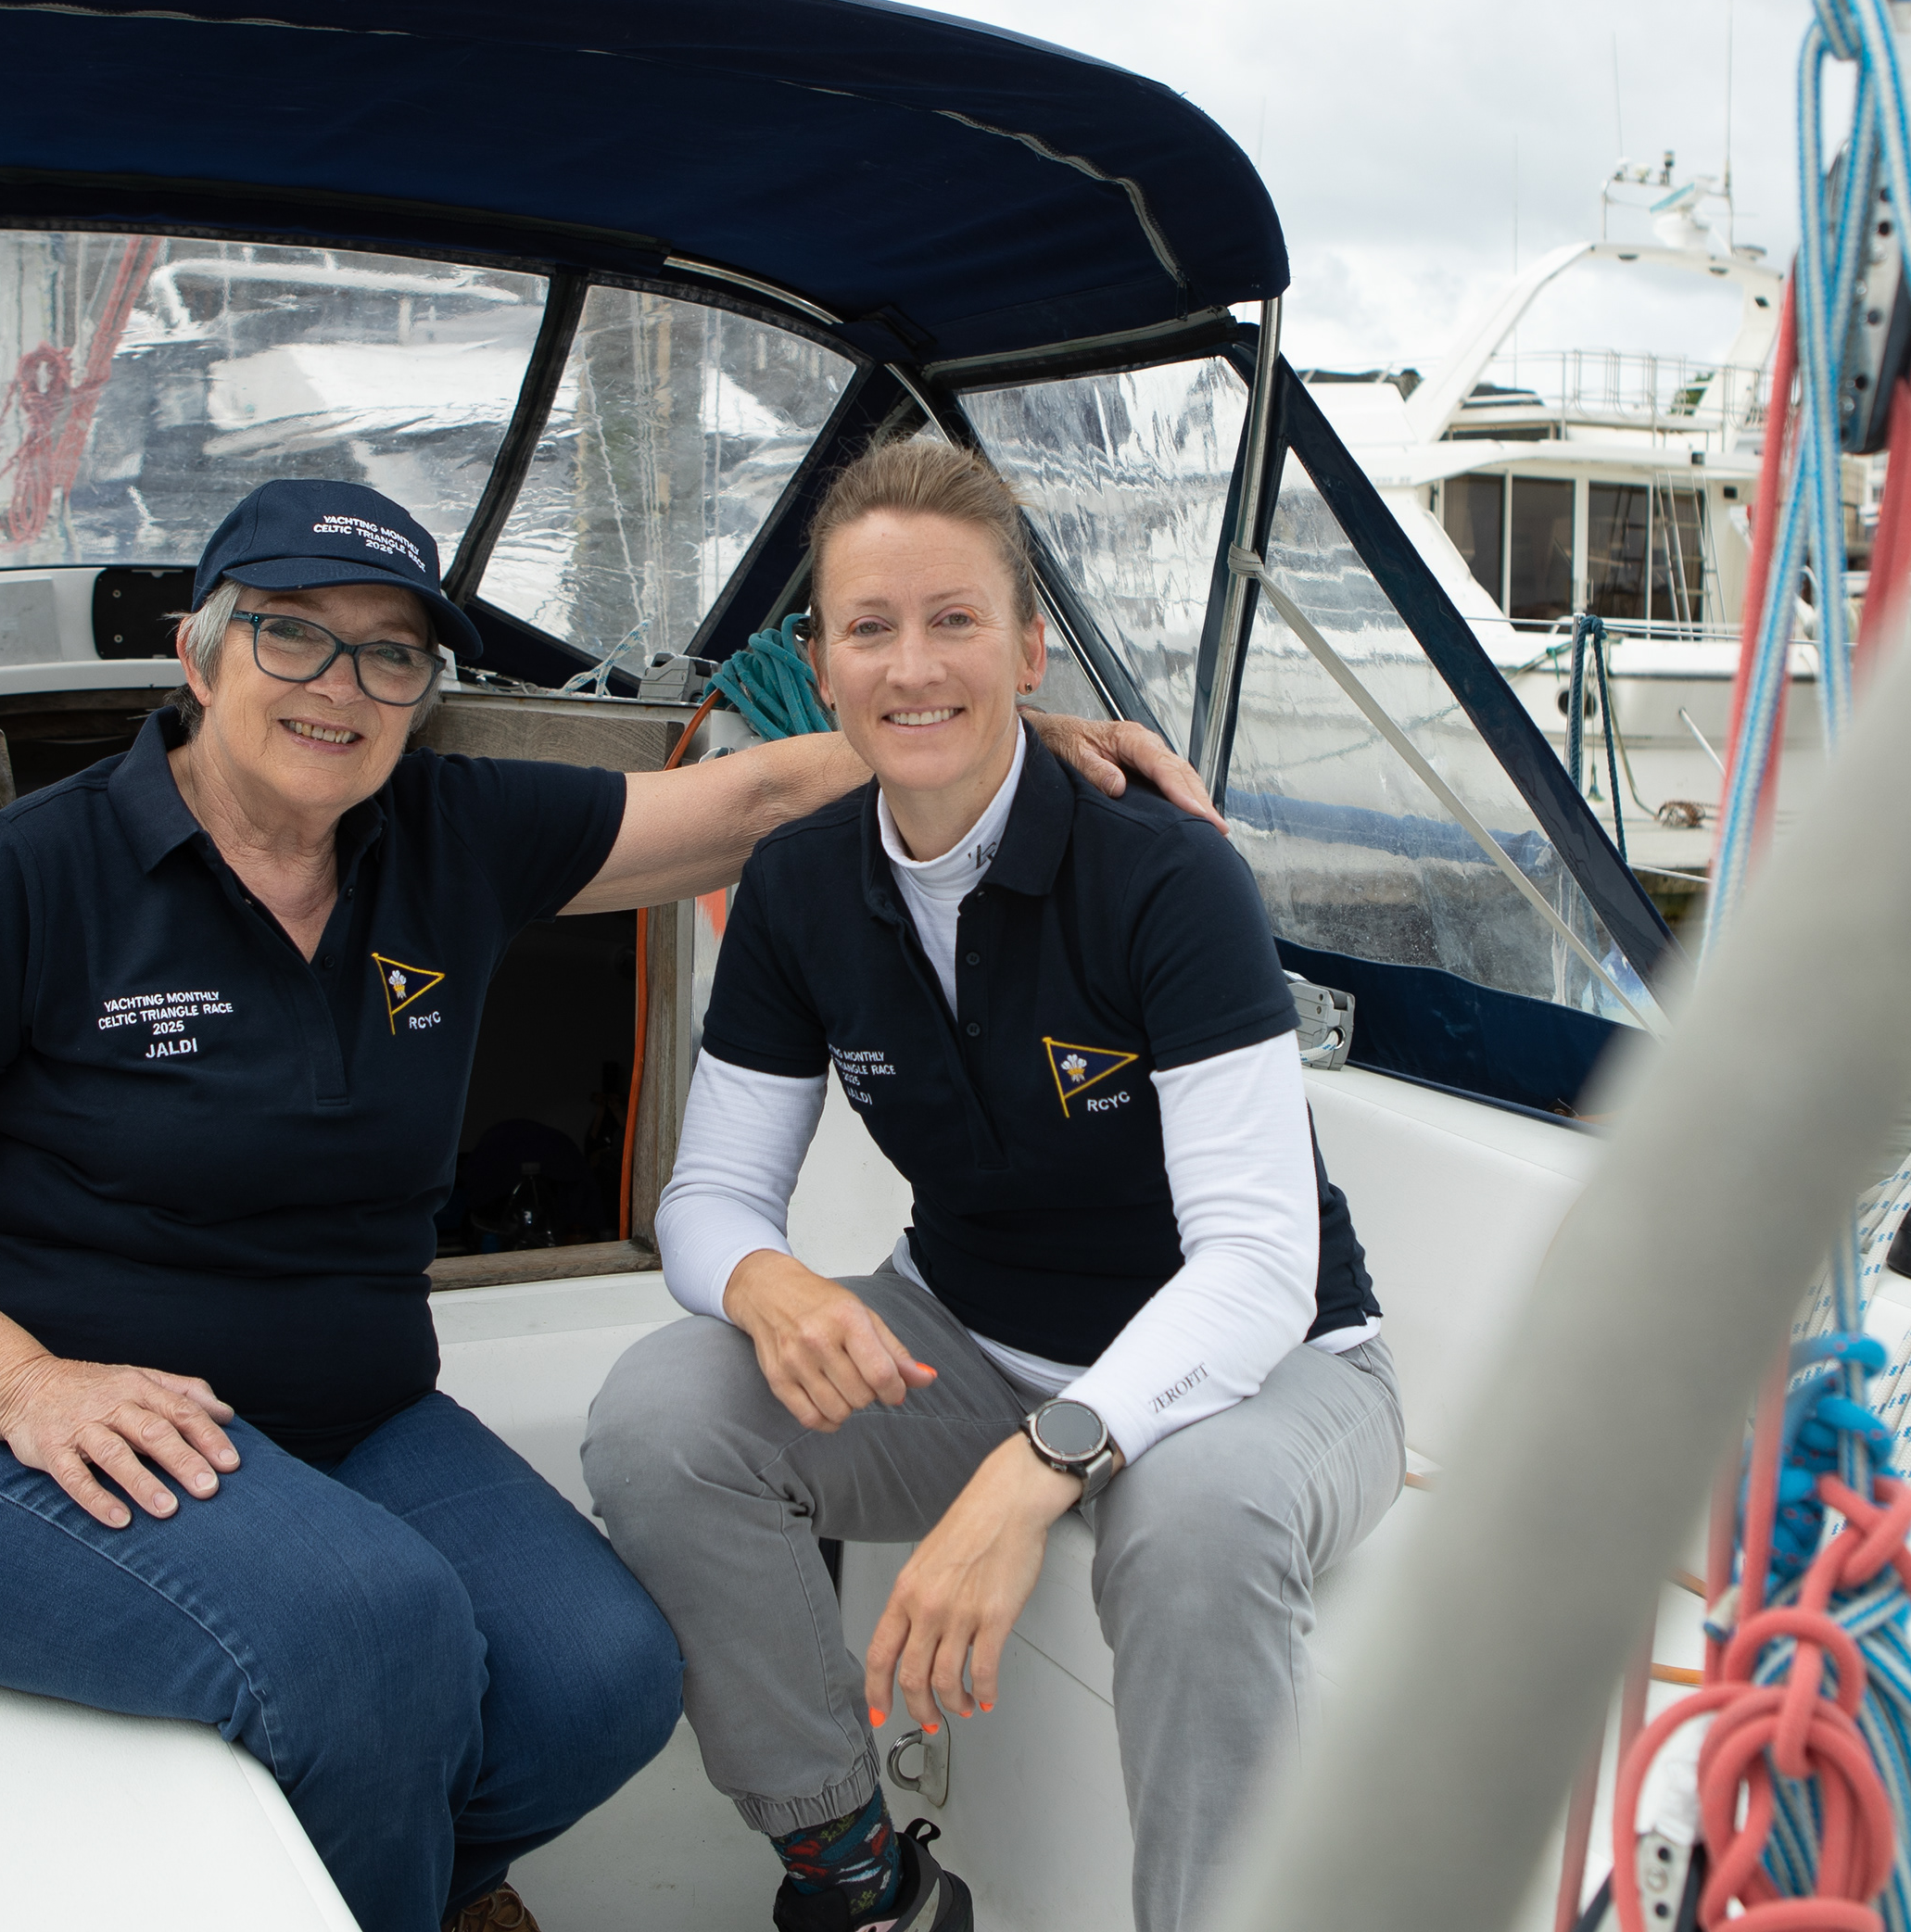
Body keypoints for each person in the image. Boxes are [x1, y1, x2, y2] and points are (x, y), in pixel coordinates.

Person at [0, 475, 1210, 1932]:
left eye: (390, 652)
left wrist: (999, 735)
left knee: (606, 1674)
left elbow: (754, 793)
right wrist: (26, 1388)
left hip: (345, 1421)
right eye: (292, 633)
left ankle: (410, 1885)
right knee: (375, 1628)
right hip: (8, 1442)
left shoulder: (443, 833)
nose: (341, 685)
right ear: (199, 649)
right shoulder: (47, 871)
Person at [583, 439, 1403, 1932]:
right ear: (820, 665)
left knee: (1199, 1523)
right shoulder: (801, 885)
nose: (916, 667)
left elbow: (1257, 1265)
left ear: (1029, 650)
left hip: (1270, 1372)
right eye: (872, 627)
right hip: (965, 1336)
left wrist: (1037, 1472)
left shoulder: (1165, 876)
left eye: (957, 621)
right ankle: (860, 1874)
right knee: (662, 1417)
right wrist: (764, 1284)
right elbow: (709, 1200)